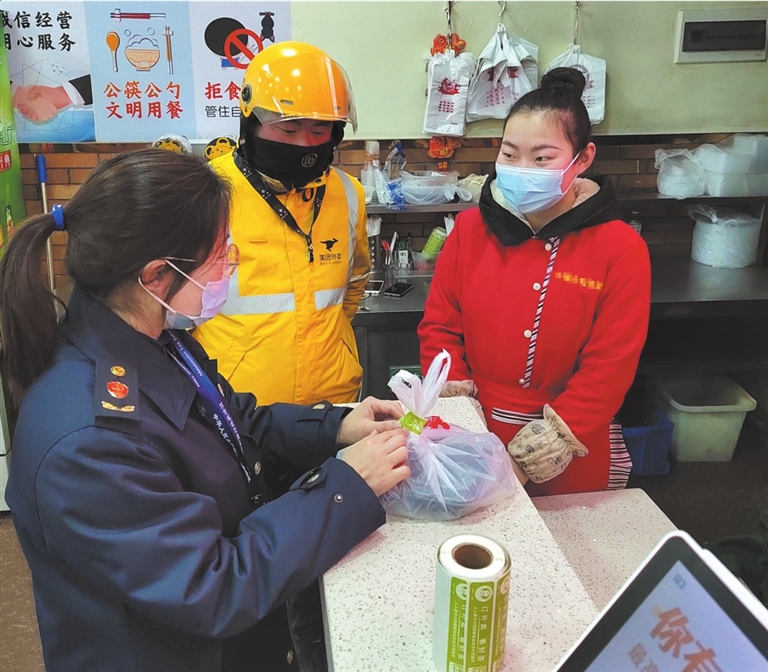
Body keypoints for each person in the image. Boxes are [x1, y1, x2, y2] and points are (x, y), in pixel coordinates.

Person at [0, 149, 410, 672]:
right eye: (219, 254)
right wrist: (346, 485)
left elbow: (233, 422)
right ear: (156, 276)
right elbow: (212, 586)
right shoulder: (89, 441)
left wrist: (336, 426)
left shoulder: (153, 337)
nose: (230, 266)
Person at [419, 67, 651, 497]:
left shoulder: (619, 246)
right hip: (474, 429)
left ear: (583, 159)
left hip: (568, 445)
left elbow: (611, 364)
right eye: (509, 154)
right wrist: (457, 411)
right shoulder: (470, 230)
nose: (522, 169)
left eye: (542, 158)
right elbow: (440, 327)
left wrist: (549, 444)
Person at [193, 41, 370, 407]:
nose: (305, 144)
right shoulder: (207, 192)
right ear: (251, 122)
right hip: (239, 407)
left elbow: (354, 285)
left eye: (320, 131)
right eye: (289, 130)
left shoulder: (348, 193)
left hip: (333, 402)